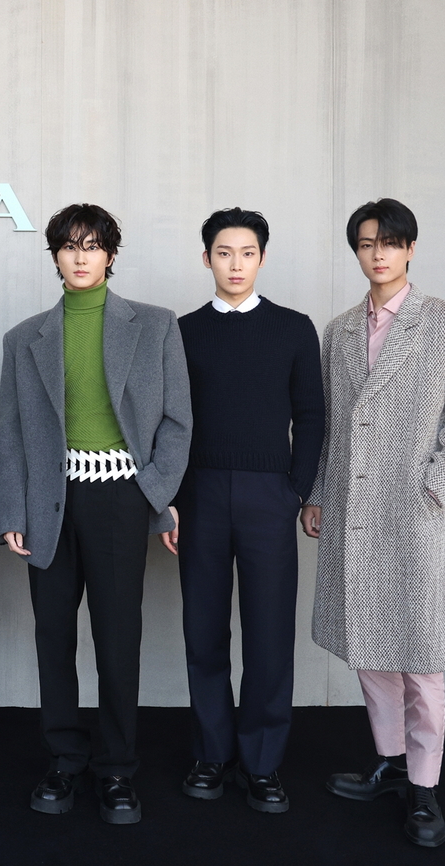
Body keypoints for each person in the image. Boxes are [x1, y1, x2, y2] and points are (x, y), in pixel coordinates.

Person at [0, 203, 191, 824]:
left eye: (93, 245)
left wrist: (150, 491)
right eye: (69, 246)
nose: (81, 257)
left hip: (120, 501)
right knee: (53, 636)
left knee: (117, 636)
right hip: (49, 503)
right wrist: (12, 510)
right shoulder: (24, 337)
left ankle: (117, 769)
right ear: (55, 255)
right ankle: (64, 760)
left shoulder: (155, 325)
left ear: (110, 254)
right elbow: (12, 433)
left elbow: (178, 421)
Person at [303, 198, 445, 848]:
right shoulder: (339, 331)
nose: (378, 253)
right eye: (366, 243)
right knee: (370, 649)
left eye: (390, 242)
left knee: (421, 658)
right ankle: (389, 761)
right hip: (353, 512)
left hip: (414, 515)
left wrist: (434, 489)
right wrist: (317, 494)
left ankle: (425, 787)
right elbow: (328, 423)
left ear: (410, 248)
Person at [160, 208, 324, 813]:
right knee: (203, 631)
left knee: (269, 634)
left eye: (247, 253)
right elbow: (166, 421)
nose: (235, 264)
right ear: (206, 258)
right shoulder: (181, 332)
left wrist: (296, 491)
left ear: (262, 258)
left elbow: (311, 414)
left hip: (269, 496)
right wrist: (171, 499)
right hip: (198, 495)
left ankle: (263, 762)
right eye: (224, 253)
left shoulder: (293, 329)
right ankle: (211, 753)